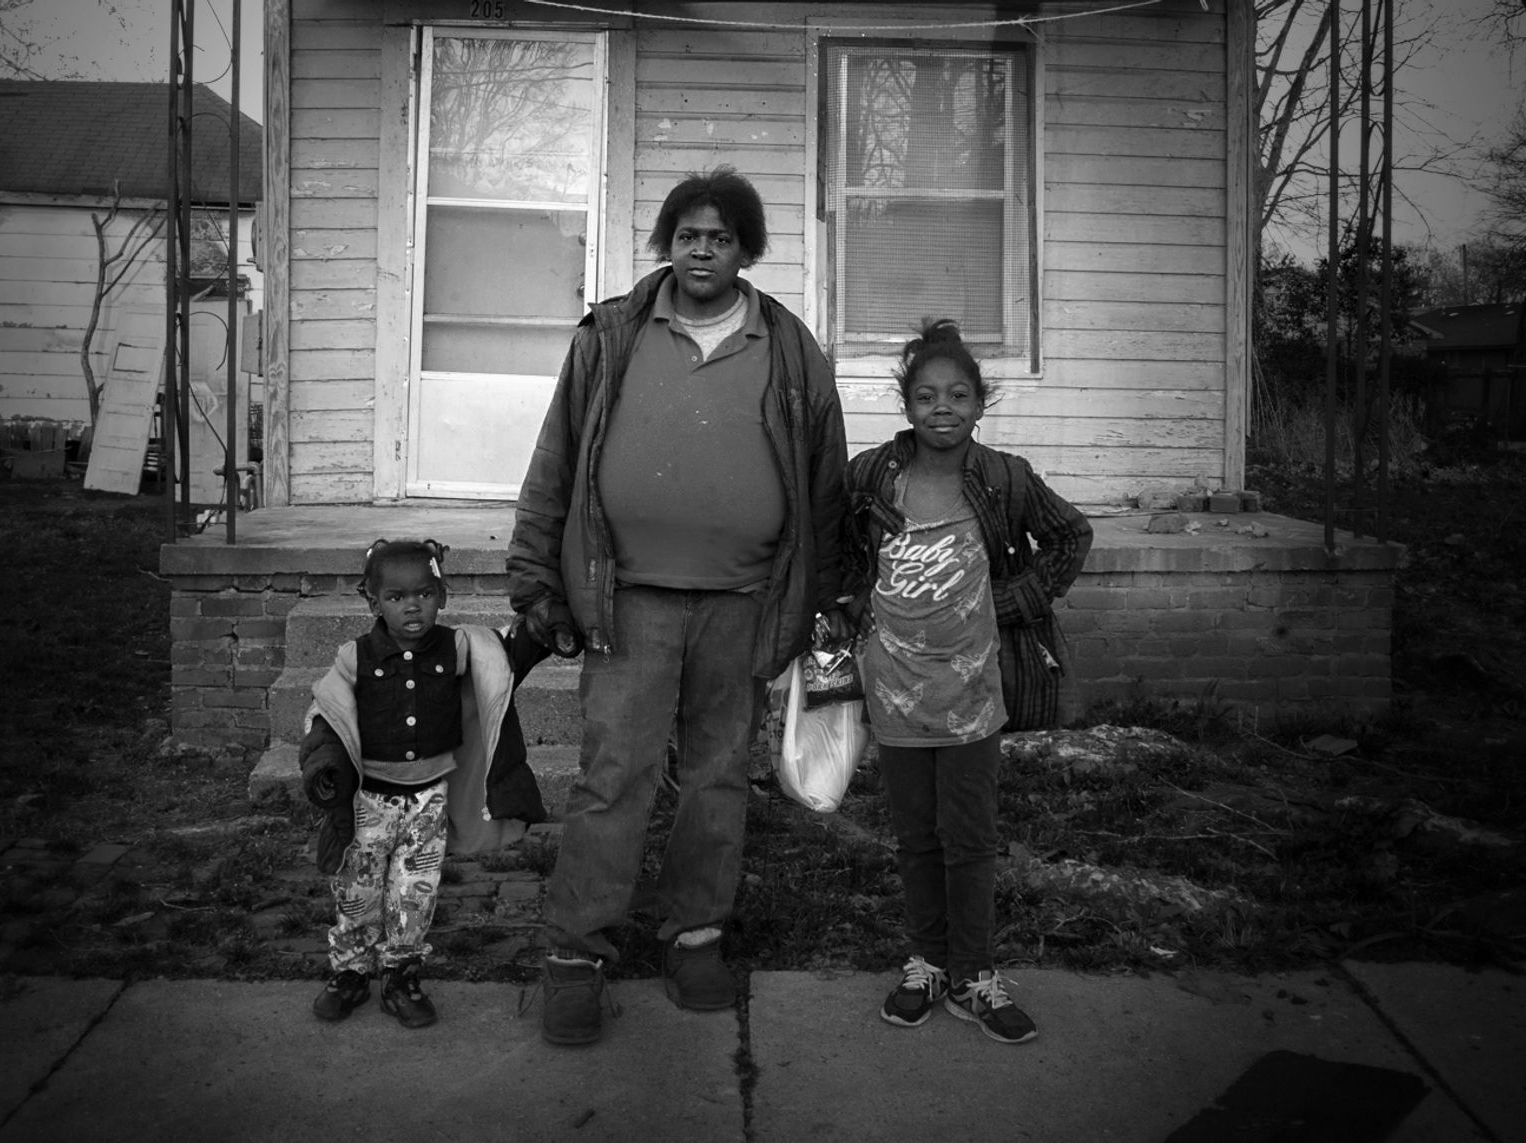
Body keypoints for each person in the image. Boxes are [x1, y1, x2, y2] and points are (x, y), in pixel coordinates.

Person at [507, 166, 850, 1046]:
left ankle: (695, 936)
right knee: (612, 773)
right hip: (629, 601)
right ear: (668, 242)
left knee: (716, 774)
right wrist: (536, 583)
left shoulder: (789, 345)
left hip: (742, 601)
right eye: (689, 234)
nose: (704, 249)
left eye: (723, 237)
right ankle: (576, 954)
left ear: (747, 250)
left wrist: (824, 598)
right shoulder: (614, 333)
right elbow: (557, 462)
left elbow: (823, 487)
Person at [842, 319, 1091, 1044]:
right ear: (905, 404)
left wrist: (1015, 602)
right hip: (893, 687)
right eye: (925, 394)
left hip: (975, 693)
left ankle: (976, 974)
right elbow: (837, 548)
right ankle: (927, 963)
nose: (941, 407)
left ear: (981, 404)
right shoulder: (872, 476)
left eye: (957, 394)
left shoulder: (1005, 477)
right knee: (916, 837)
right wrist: (849, 610)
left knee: (972, 836)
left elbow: (1072, 533)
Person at [300, 539, 554, 1028]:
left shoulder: (456, 648)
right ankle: (351, 972)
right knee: (359, 891)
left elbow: (501, 658)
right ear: (372, 602)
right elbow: (327, 714)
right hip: (368, 804)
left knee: (414, 892)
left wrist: (544, 630)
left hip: (428, 803)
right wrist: (324, 763)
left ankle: (401, 975)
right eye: (395, 598)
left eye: (424, 594)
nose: (412, 606)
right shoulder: (356, 658)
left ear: (443, 594)